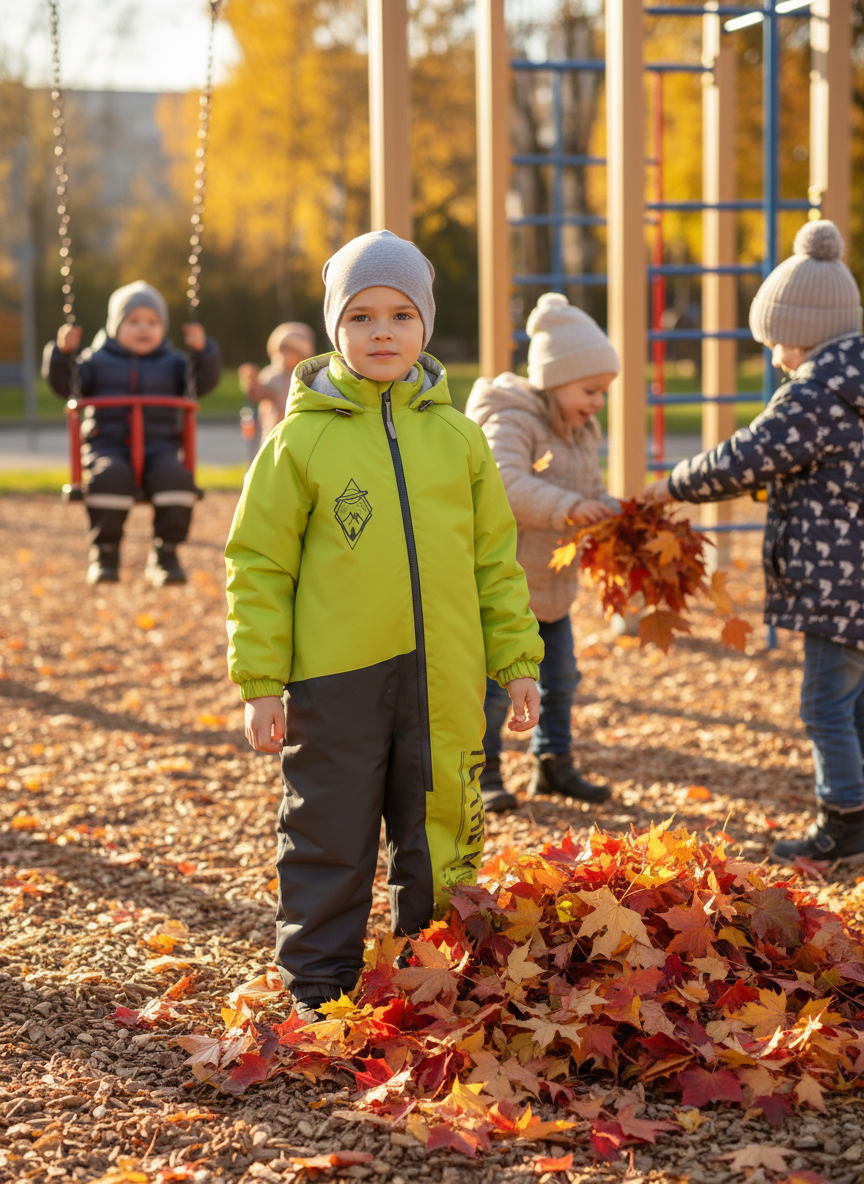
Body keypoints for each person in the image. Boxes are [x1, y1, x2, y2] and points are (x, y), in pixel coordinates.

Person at [225, 230, 543, 1020]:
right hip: (338, 677)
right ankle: (318, 988)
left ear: (425, 325)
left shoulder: (459, 438)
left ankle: (432, 975)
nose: (382, 333)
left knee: (441, 833)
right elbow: (259, 566)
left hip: (446, 676)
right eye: (361, 316)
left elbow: (495, 564)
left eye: (401, 315)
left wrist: (517, 659)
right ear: (334, 328)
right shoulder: (299, 441)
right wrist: (261, 682)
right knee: (328, 832)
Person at [643, 220, 864, 863]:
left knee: (824, 705)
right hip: (854, 573)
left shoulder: (818, 394)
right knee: (852, 703)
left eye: (777, 343)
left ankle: (844, 821)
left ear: (806, 331)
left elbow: (746, 456)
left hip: (837, 579)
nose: (773, 358)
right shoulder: (852, 387)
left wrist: (672, 486)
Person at [466, 293, 619, 813]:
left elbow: (591, 487)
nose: (598, 401)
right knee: (492, 690)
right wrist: (569, 507)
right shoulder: (512, 420)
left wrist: (608, 507)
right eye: (590, 389)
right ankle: (483, 771)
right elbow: (503, 483)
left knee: (560, 680)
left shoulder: (580, 430)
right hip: (503, 588)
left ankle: (553, 763)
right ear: (554, 381)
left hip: (552, 587)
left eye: (604, 392)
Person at [43, 280, 222, 586]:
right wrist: (62, 354)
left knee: (178, 482)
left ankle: (166, 554)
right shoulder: (94, 361)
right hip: (107, 446)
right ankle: (105, 552)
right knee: (108, 479)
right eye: (133, 322)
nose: (143, 329)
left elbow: (203, 383)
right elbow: (64, 386)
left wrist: (202, 351)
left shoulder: (175, 363)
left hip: (160, 448)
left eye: (152, 323)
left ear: (162, 328)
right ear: (114, 327)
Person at [238, 322, 317, 440]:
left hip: (302, 427)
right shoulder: (273, 374)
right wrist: (252, 383)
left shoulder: (309, 375)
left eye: (289, 351)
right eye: (281, 351)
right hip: (275, 427)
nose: (284, 355)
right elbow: (260, 392)